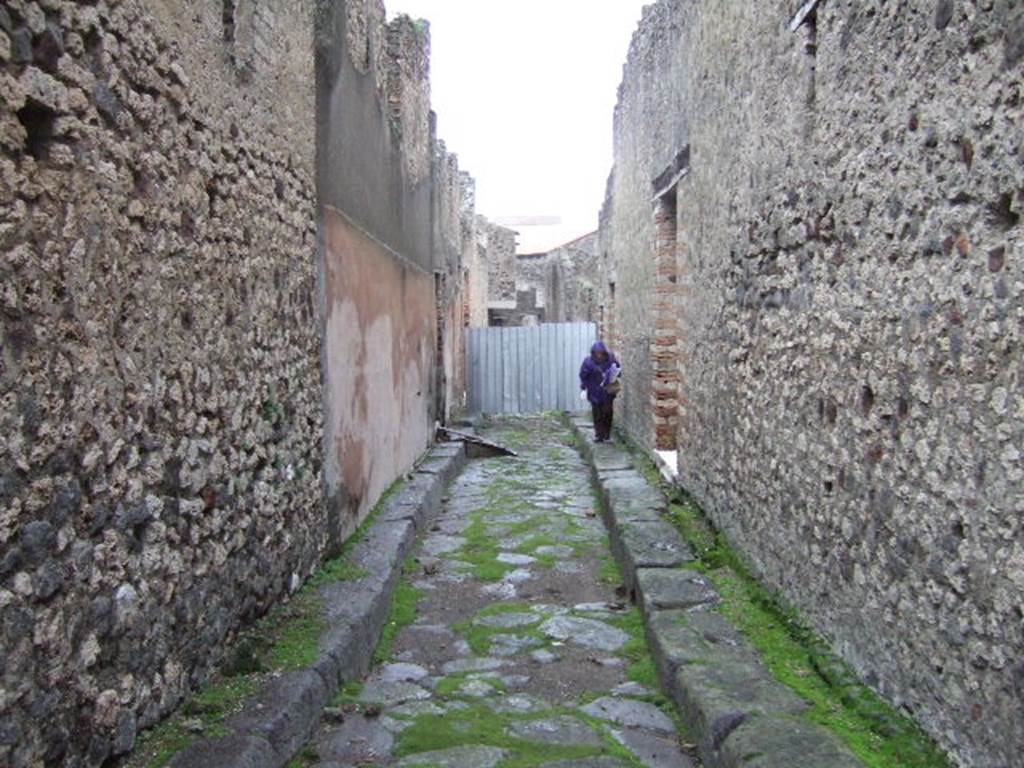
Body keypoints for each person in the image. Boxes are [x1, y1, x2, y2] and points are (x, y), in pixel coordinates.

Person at [579, 341, 621, 443]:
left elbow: (618, 369)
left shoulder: (610, 359)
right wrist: (584, 387)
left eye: (601, 353)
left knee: (607, 413)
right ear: (593, 353)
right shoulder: (588, 362)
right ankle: (599, 435)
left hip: (607, 392)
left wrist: (615, 374)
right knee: (597, 414)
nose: (599, 355)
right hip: (594, 392)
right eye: (597, 353)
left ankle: (607, 435)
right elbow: (583, 376)